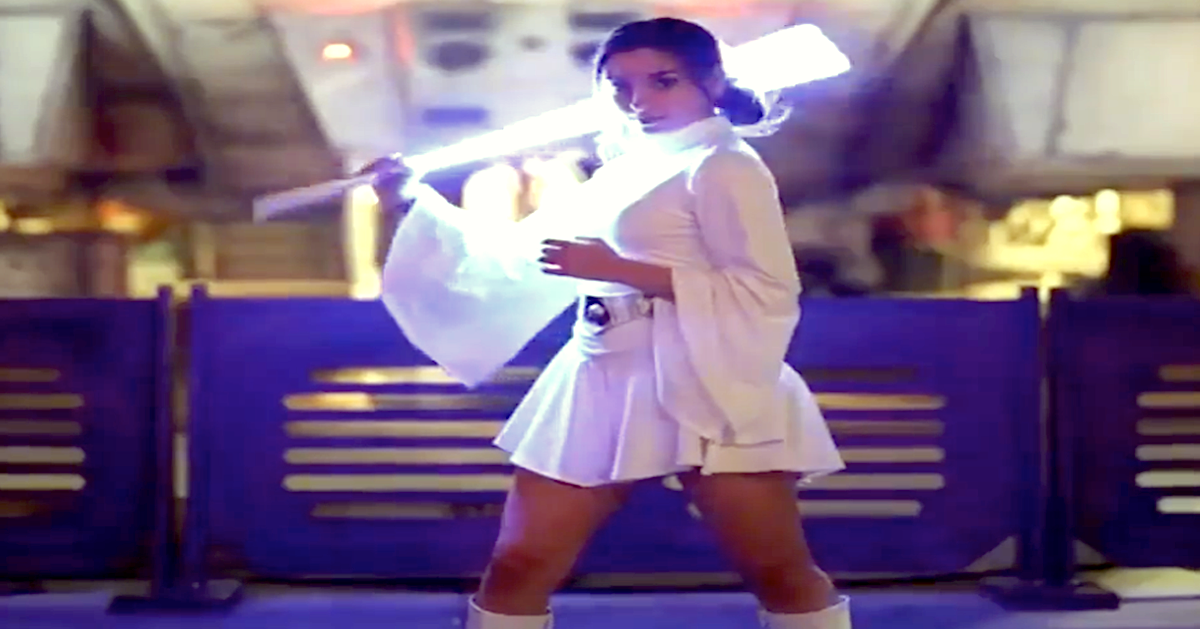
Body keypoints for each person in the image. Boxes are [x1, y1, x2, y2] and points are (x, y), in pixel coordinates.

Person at [366, 17, 850, 629]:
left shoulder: (727, 165)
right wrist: (412, 200)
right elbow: (514, 258)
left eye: (662, 81)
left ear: (711, 81)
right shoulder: (628, 168)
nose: (638, 101)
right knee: (518, 565)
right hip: (600, 369)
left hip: (708, 373)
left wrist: (619, 269)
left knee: (778, 570)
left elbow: (767, 289)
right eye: (620, 86)